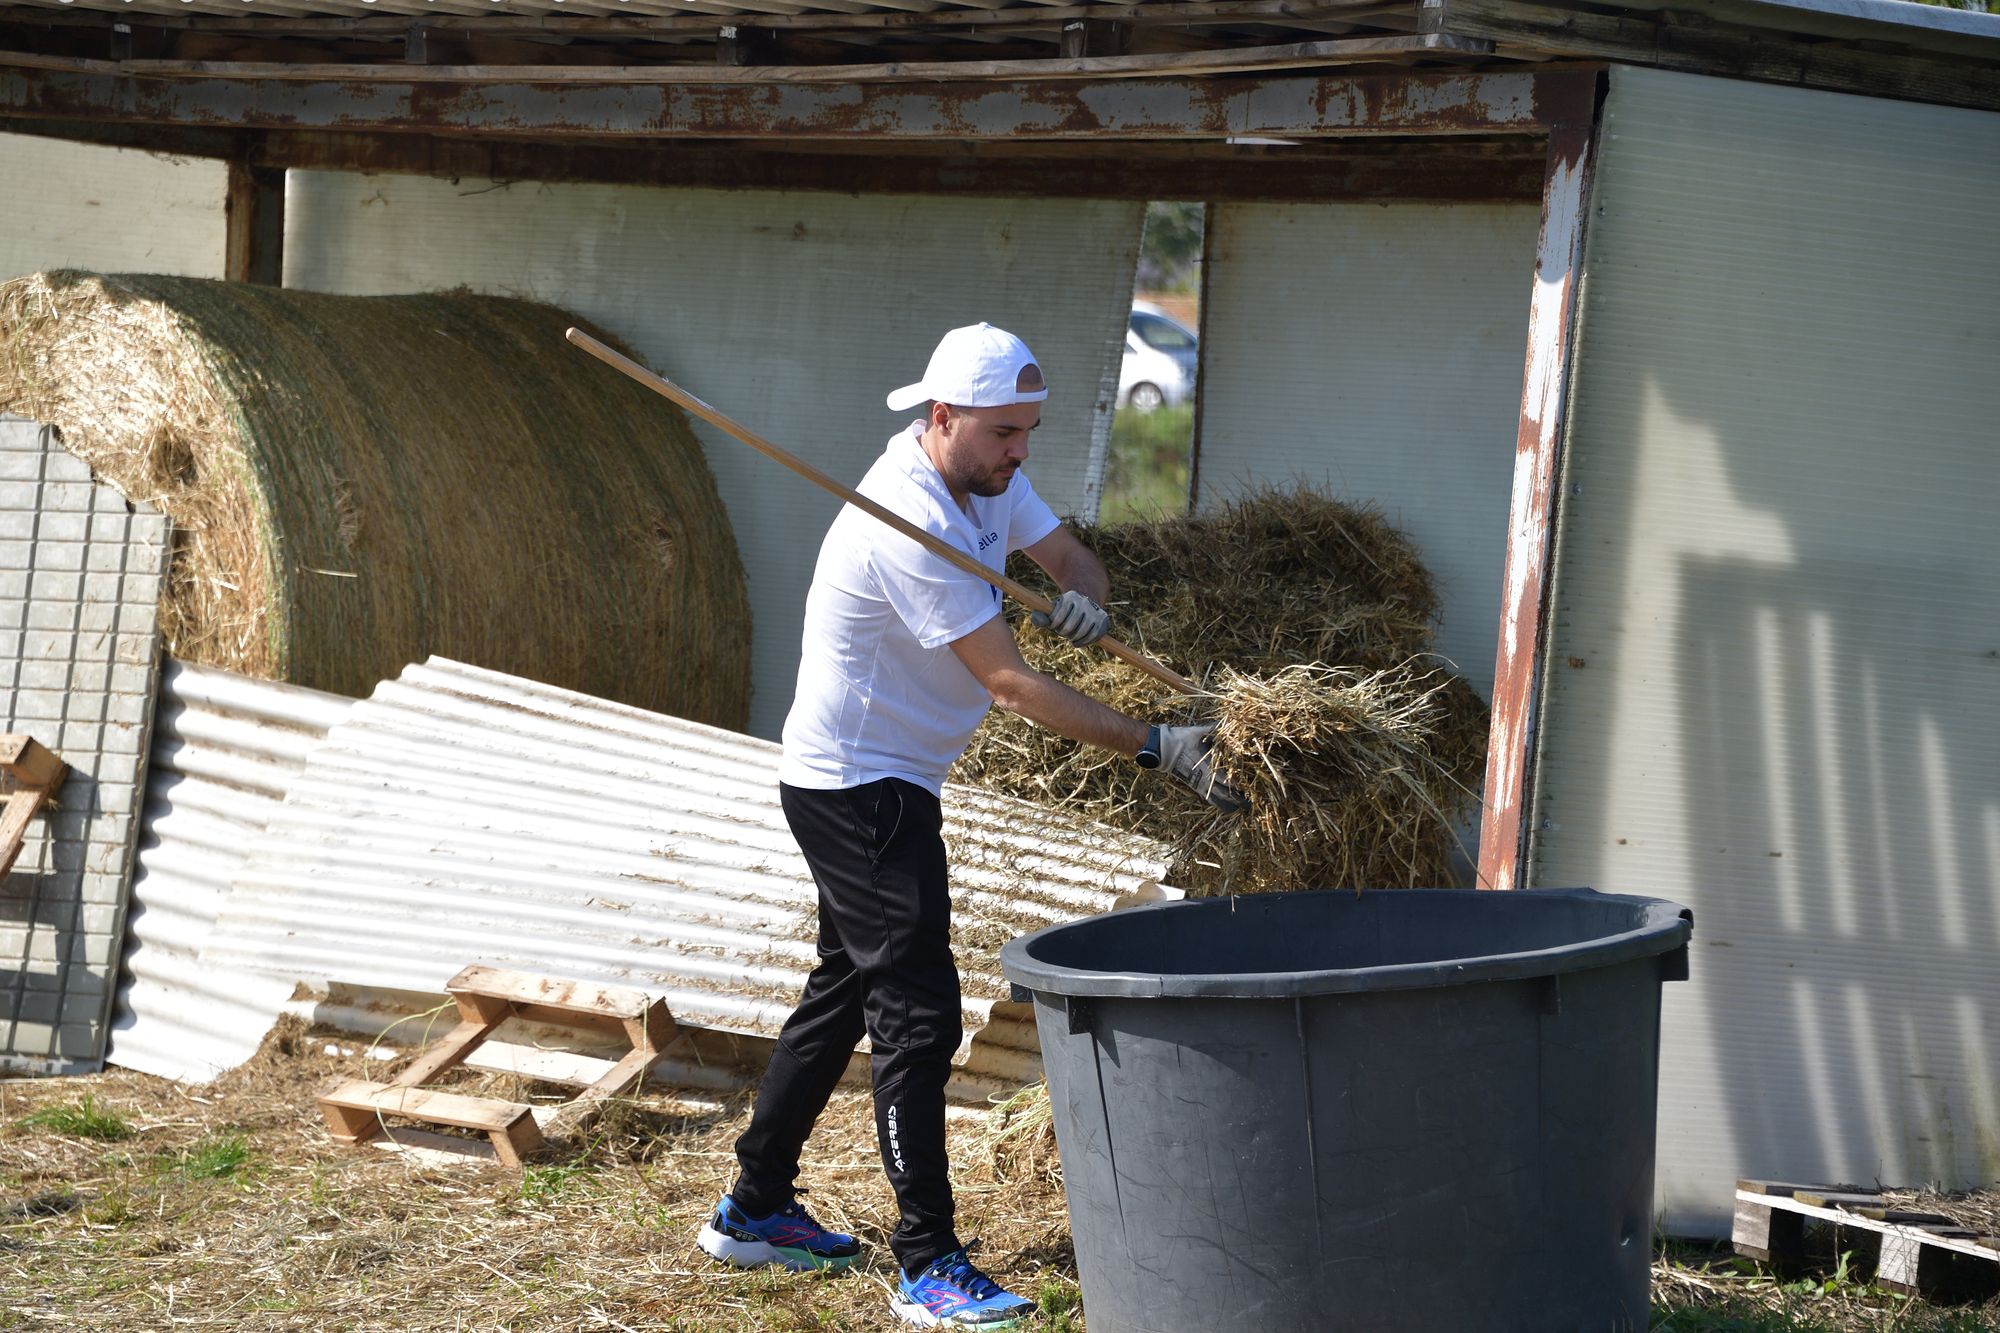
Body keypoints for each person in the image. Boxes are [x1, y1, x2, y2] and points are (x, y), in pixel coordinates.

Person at [696, 323, 1244, 1330]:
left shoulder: (984, 478)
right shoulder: (906, 519)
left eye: (1028, 431)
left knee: (845, 989)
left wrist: (1081, 596)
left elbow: (1070, 554)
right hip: (860, 785)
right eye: (1003, 432)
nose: (1019, 451)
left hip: (890, 777)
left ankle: (755, 1205)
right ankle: (927, 1262)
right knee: (917, 1009)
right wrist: (1155, 744)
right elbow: (1007, 684)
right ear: (941, 418)